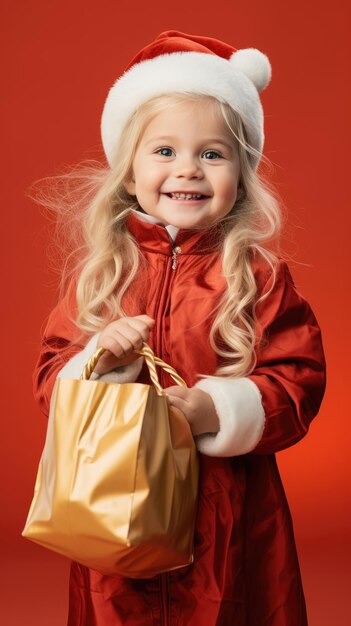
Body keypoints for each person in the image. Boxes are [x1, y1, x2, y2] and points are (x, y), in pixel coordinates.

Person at [32, 30, 326, 626]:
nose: (187, 169)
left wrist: (214, 410)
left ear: (241, 172)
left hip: (228, 513)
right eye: (164, 151)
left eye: (212, 154)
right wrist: (100, 367)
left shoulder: (258, 276)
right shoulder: (102, 277)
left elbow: (299, 379)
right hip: (115, 502)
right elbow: (51, 381)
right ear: (129, 168)